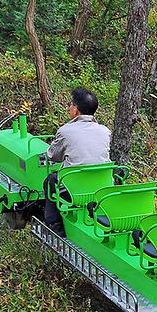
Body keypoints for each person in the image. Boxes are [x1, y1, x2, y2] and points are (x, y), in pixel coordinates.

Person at [43, 87, 112, 235]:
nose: (69, 107)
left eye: (71, 104)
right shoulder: (105, 131)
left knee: (50, 181)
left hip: (73, 192)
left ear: (76, 110)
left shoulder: (65, 131)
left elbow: (52, 155)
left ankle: (54, 224)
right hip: (100, 190)